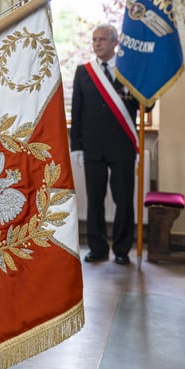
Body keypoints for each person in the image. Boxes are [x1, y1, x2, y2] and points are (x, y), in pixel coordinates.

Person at [69, 23, 140, 266]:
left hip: (122, 146)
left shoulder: (128, 71)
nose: (97, 44)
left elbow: (147, 105)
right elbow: (76, 111)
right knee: (94, 199)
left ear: (114, 43)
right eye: (94, 39)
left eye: (102, 39)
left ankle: (122, 249)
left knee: (123, 200)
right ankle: (97, 247)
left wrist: (147, 83)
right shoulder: (83, 71)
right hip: (92, 146)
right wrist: (76, 145)